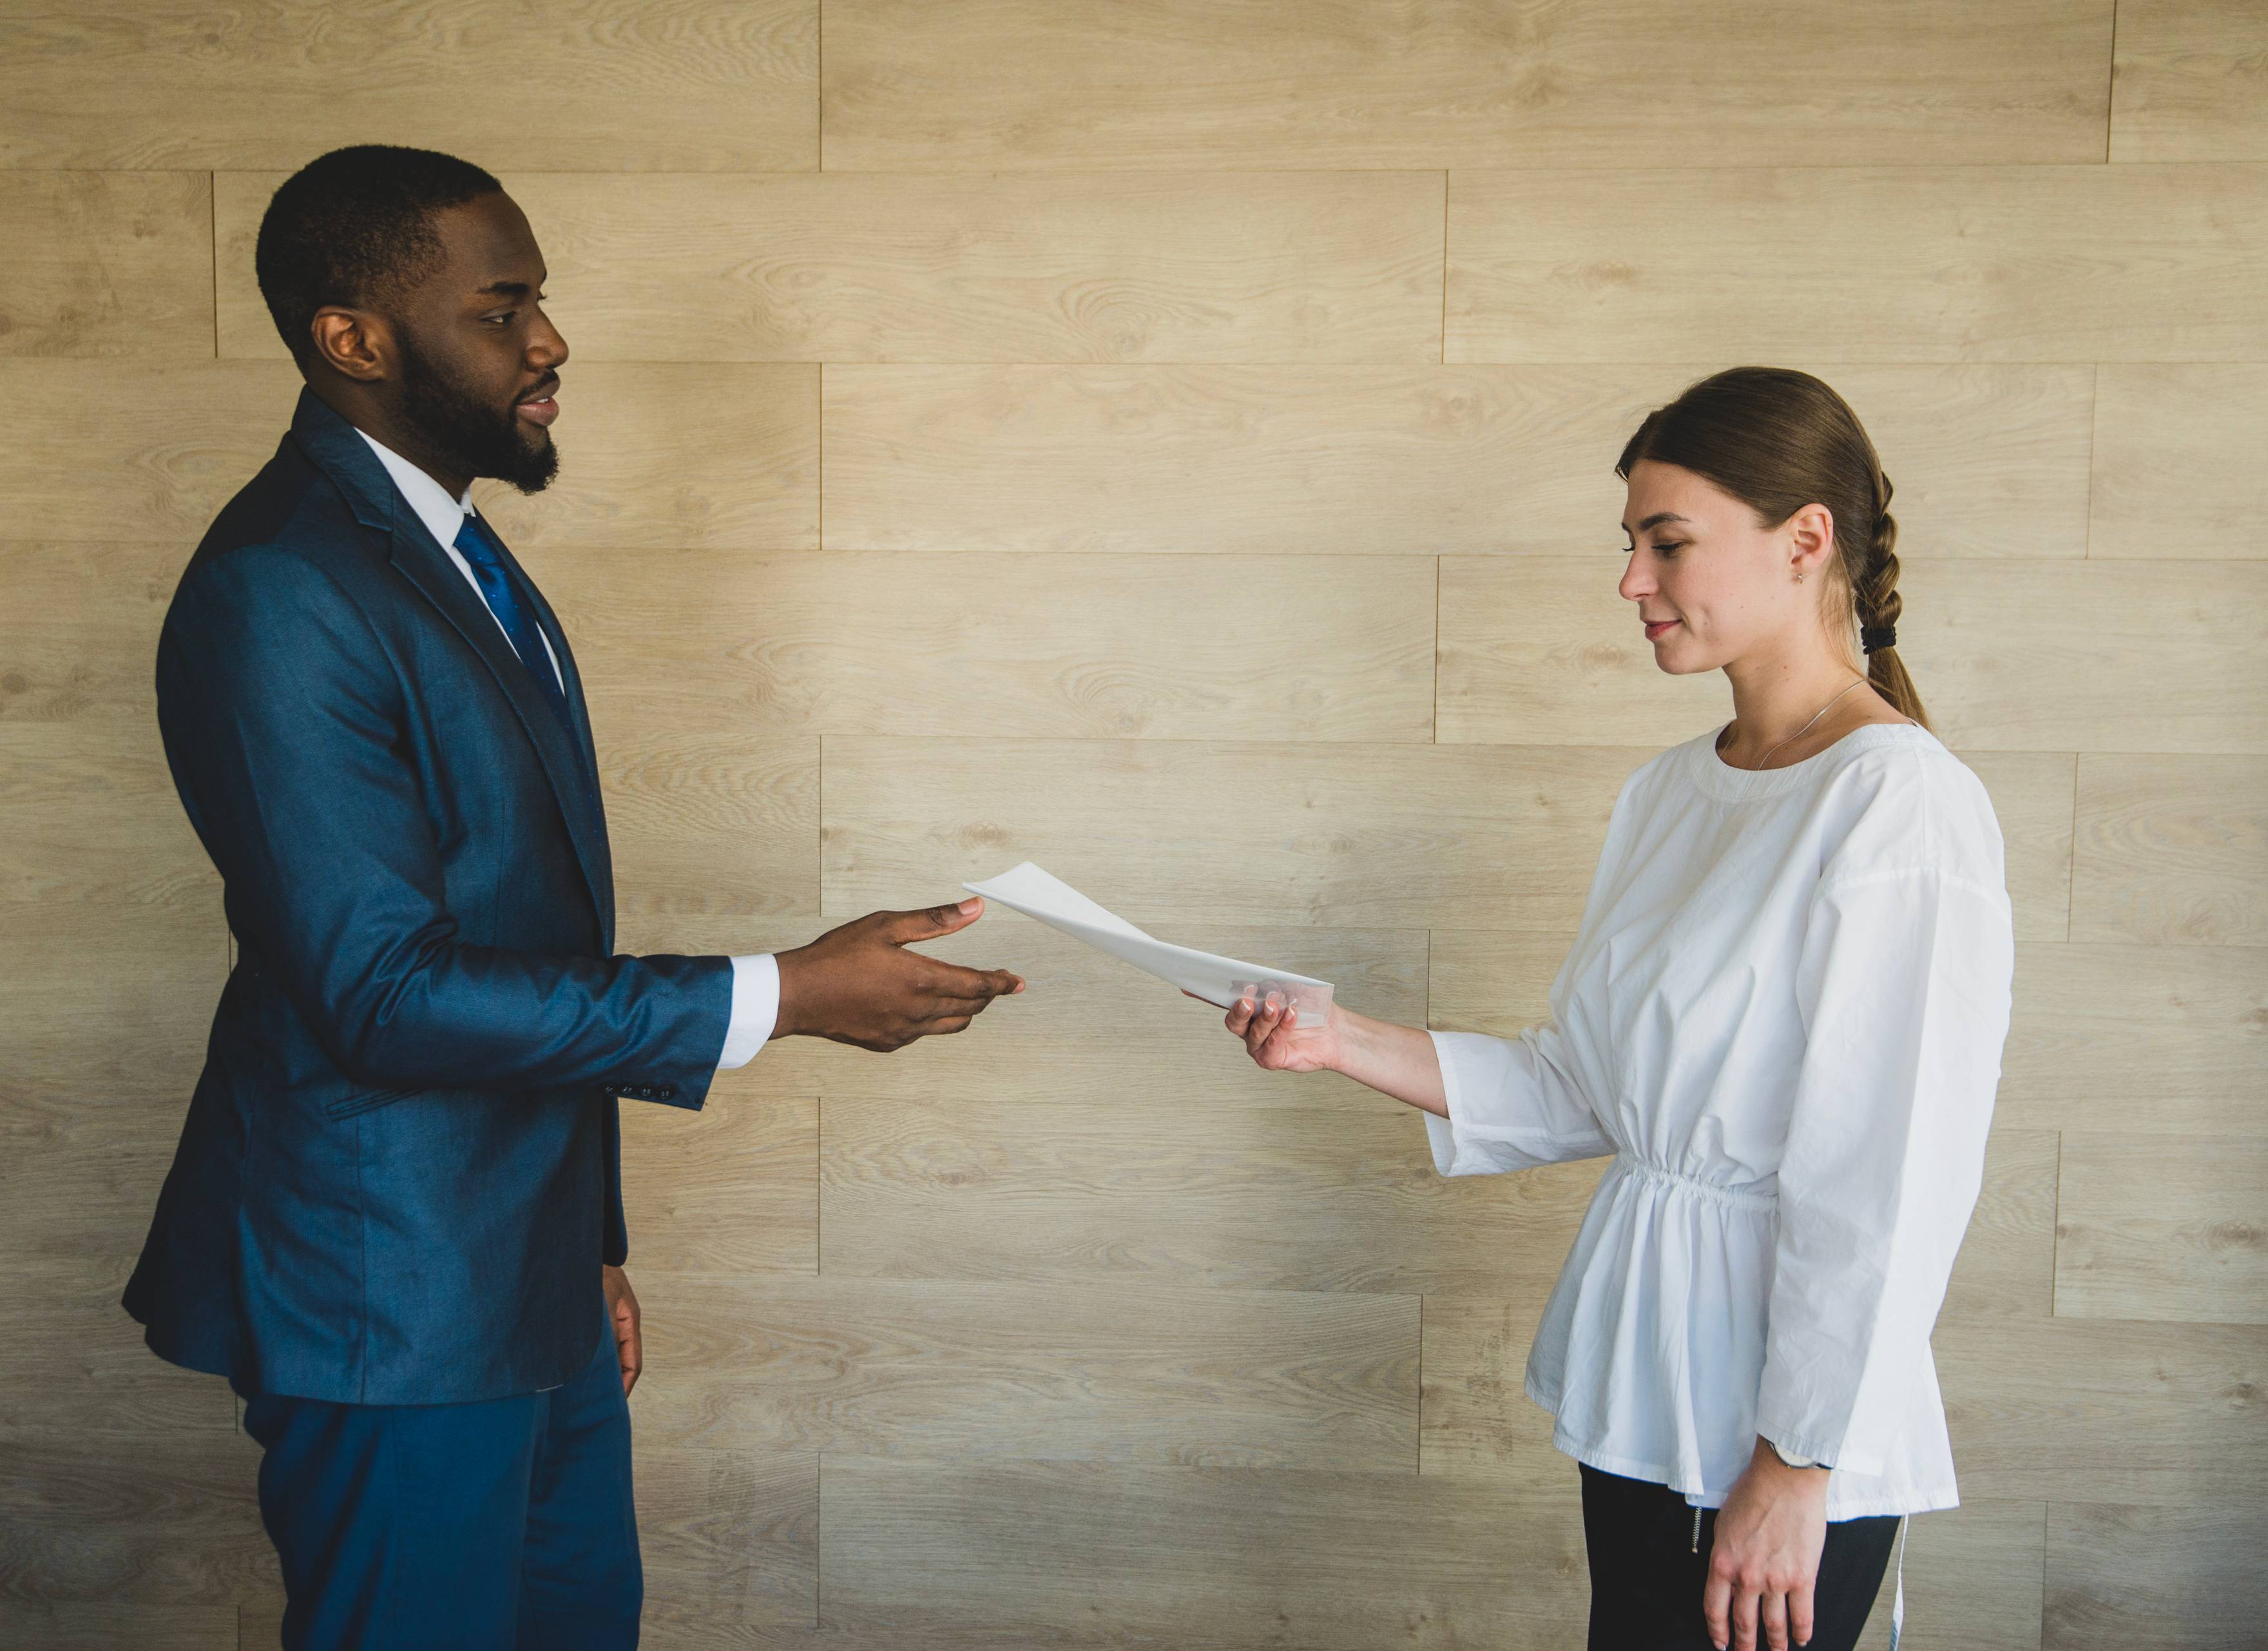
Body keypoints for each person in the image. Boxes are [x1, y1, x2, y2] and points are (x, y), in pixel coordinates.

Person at [120, 144, 1024, 1651]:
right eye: (503, 307)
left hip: (518, 1279)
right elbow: (385, 989)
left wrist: (584, 1242)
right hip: (388, 1302)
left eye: (541, 301)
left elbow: (528, 939)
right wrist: (782, 993)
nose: (549, 343)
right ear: (354, 339)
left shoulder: (459, 554)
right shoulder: (282, 585)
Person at [1209, 367, 2014, 1651]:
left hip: (1780, 1423)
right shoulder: (1666, 794)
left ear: (1807, 539)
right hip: (1650, 1381)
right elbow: (1591, 1086)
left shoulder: (1898, 806)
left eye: (1668, 541)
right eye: (1633, 543)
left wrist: (1798, 1461)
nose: (1631, 579)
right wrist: (1335, 1038)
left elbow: (1891, 1173)